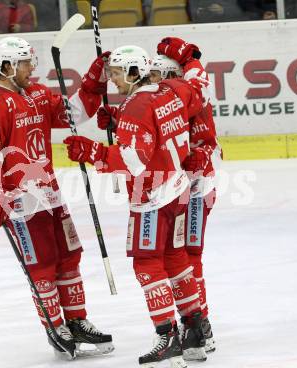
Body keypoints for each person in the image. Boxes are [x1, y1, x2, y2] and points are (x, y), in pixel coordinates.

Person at [64, 45, 208, 367]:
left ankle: (167, 337)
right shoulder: (171, 91)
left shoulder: (135, 107)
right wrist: (118, 119)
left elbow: (134, 163)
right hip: (179, 189)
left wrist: (92, 152)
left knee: (146, 264)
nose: (112, 80)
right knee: (175, 259)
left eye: (116, 73)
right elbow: (187, 103)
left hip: (151, 197)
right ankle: (194, 331)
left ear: (133, 73)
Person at [0, 36, 114, 359]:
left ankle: (76, 320)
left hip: (49, 191)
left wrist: (93, 83)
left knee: (68, 256)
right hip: (21, 198)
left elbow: (70, 115)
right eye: (25, 63)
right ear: (6, 66)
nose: (31, 68)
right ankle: (55, 325)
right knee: (43, 263)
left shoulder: (35, 93)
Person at [154, 37, 224, 354]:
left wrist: (192, 57)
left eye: (159, 77)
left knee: (189, 254)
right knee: (177, 255)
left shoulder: (190, 91)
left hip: (199, 183)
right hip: (176, 184)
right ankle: (194, 321)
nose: (153, 83)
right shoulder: (165, 98)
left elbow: (199, 85)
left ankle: (200, 325)